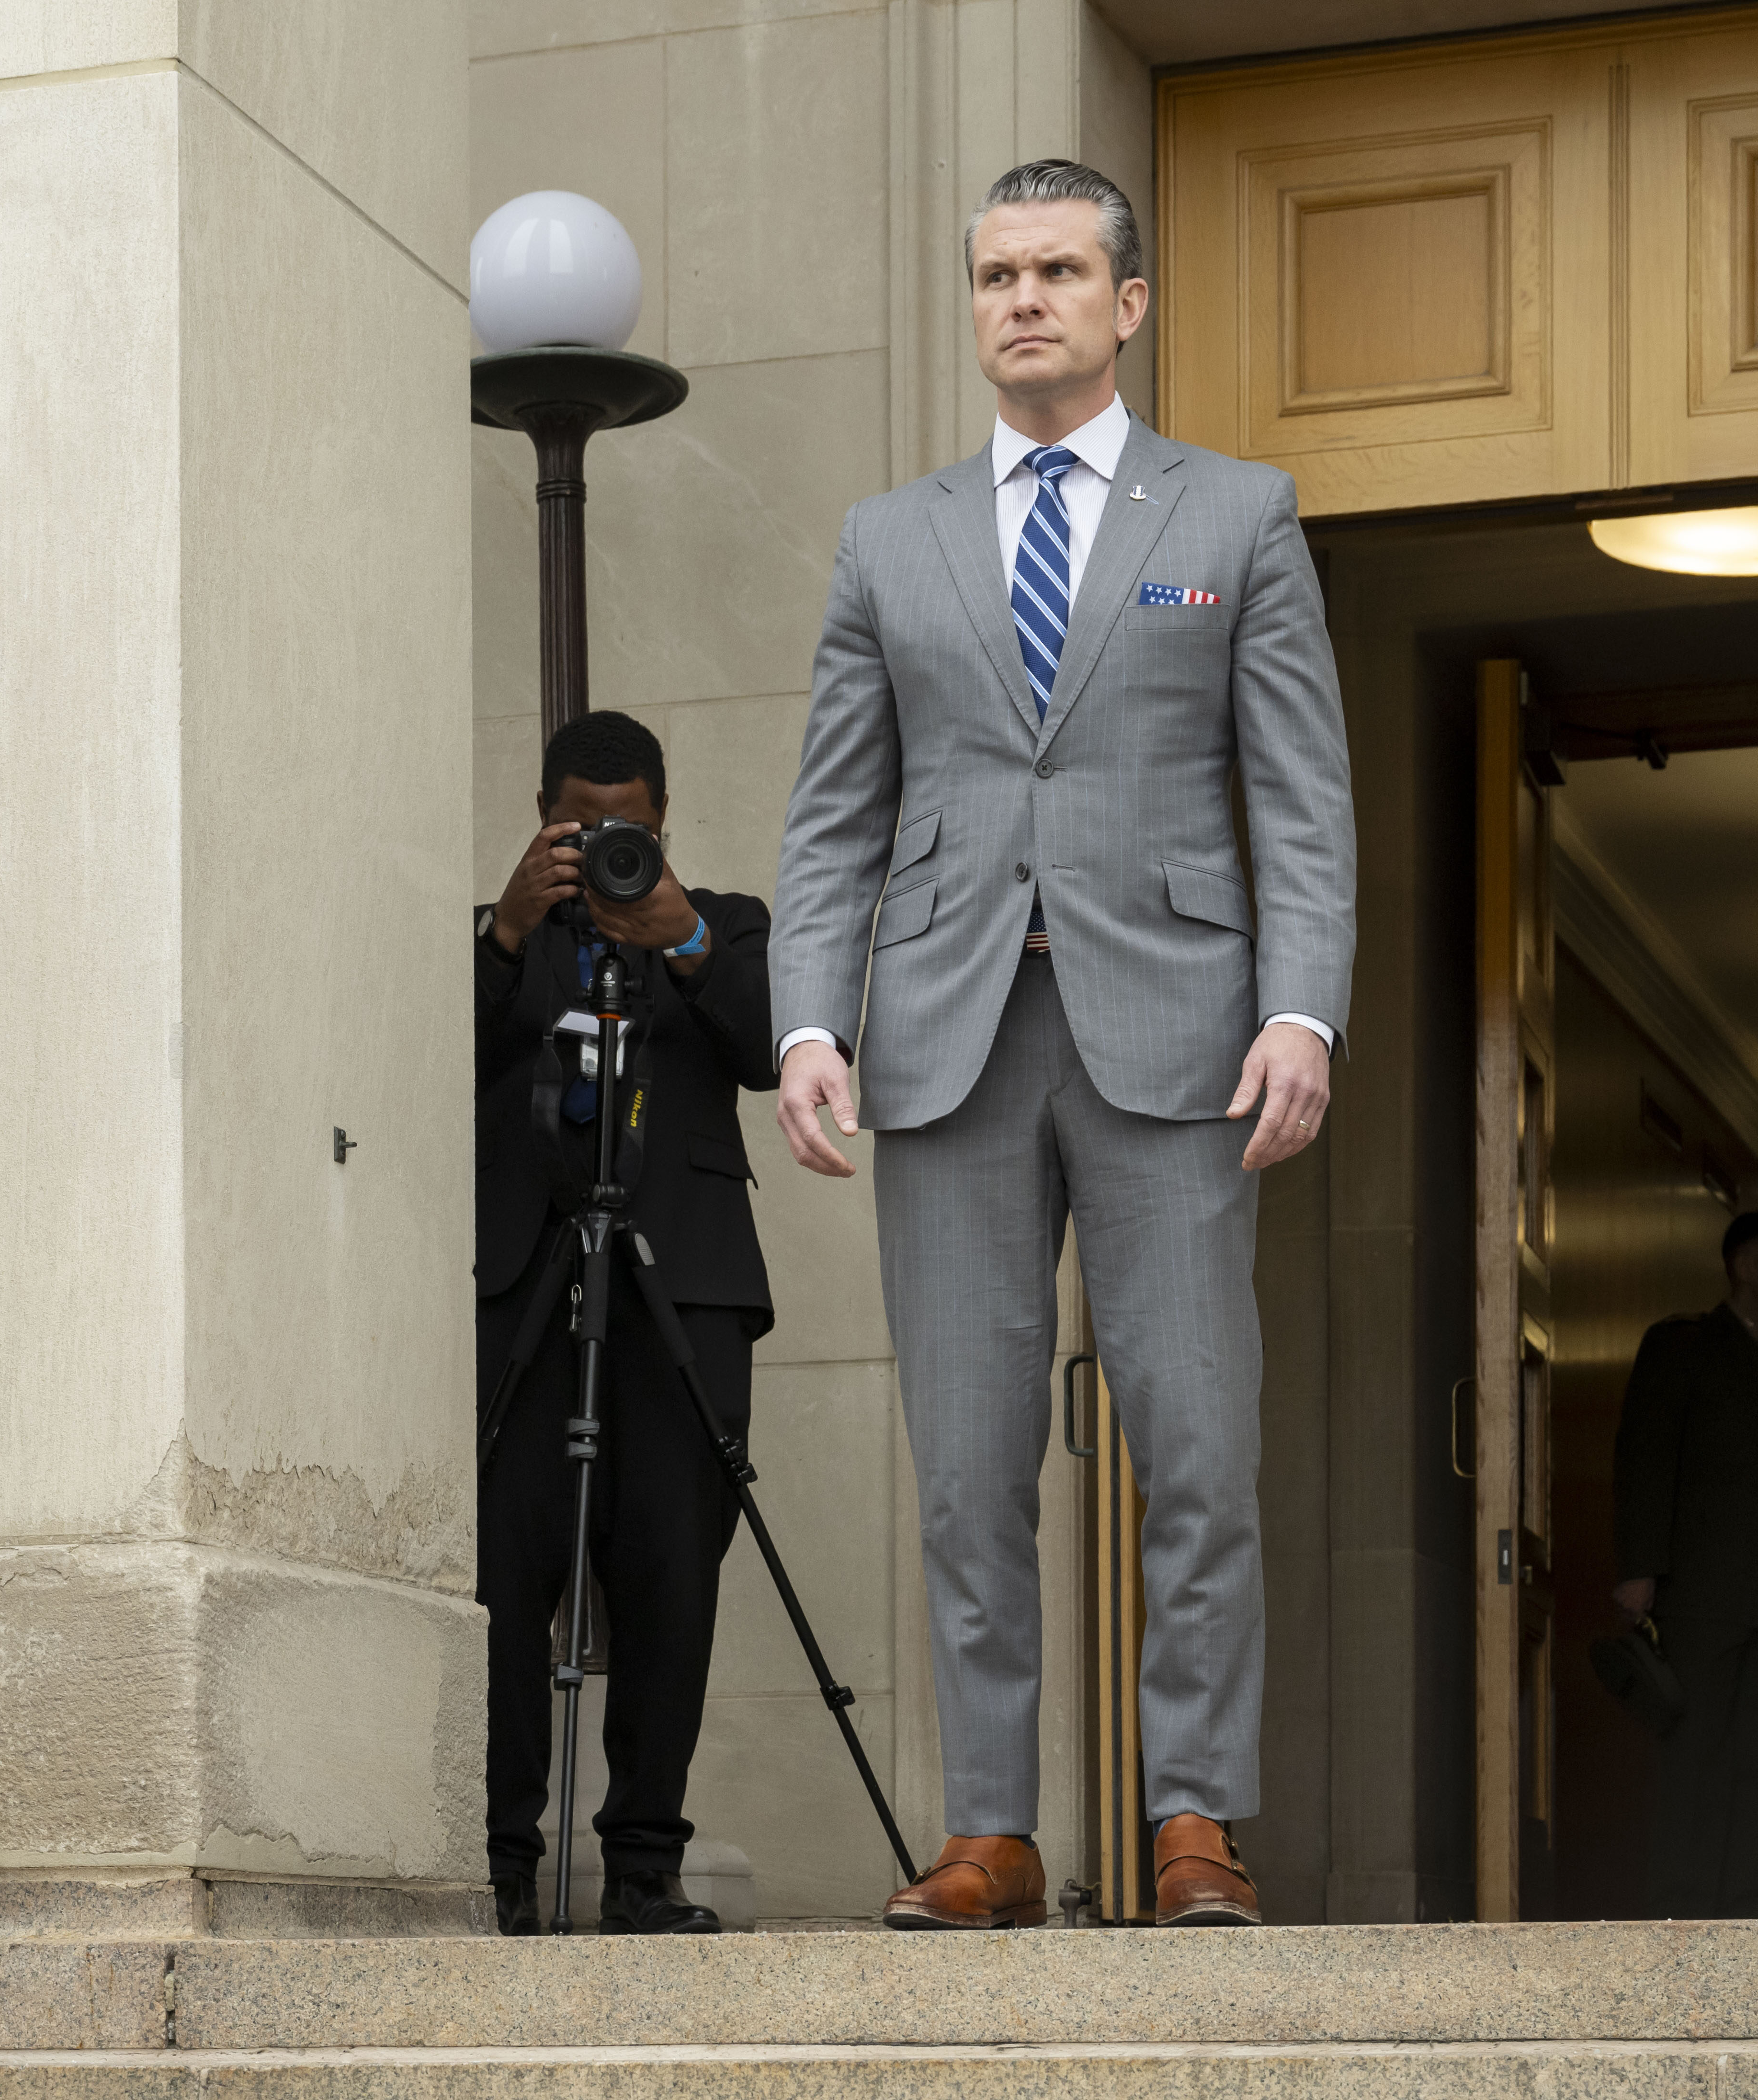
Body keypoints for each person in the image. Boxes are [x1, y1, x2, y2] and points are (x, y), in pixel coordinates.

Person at [768, 158, 1355, 1931]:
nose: (1021, 298)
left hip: (1179, 1040)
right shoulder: (889, 538)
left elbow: (1301, 800)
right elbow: (830, 818)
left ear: (1129, 303)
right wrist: (806, 1012)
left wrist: (1302, 1004)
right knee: (963, 1463)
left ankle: (1191, 1816)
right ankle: (994, 1829)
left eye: (1057, 270)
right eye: (995, 274)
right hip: (943, 1042)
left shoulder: (1236, 518)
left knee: (1196, 1440)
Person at [474, 711, 777, 1938]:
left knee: (670, 1583)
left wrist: (685, 937)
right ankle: (497, 1862)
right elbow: (424, 1065)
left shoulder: (726, 924)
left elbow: (775, 1049)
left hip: (685, 1294)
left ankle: (645, 1867)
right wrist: (505, 928)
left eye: (631, 832)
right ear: (544, 821)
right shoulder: (511, 939)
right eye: (582, 830)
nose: (608, 852)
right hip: (530, 1294)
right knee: (502, 1584)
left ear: (666, 823)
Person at [1612, 1207, 1758, 1918]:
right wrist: (1638, 1567)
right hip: (1703, 1590)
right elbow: (1645, 1455)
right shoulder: (1681, 1346)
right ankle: (1682, 1914)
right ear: (1744, 1265)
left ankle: (1749, 1913)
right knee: (1698, 1759)